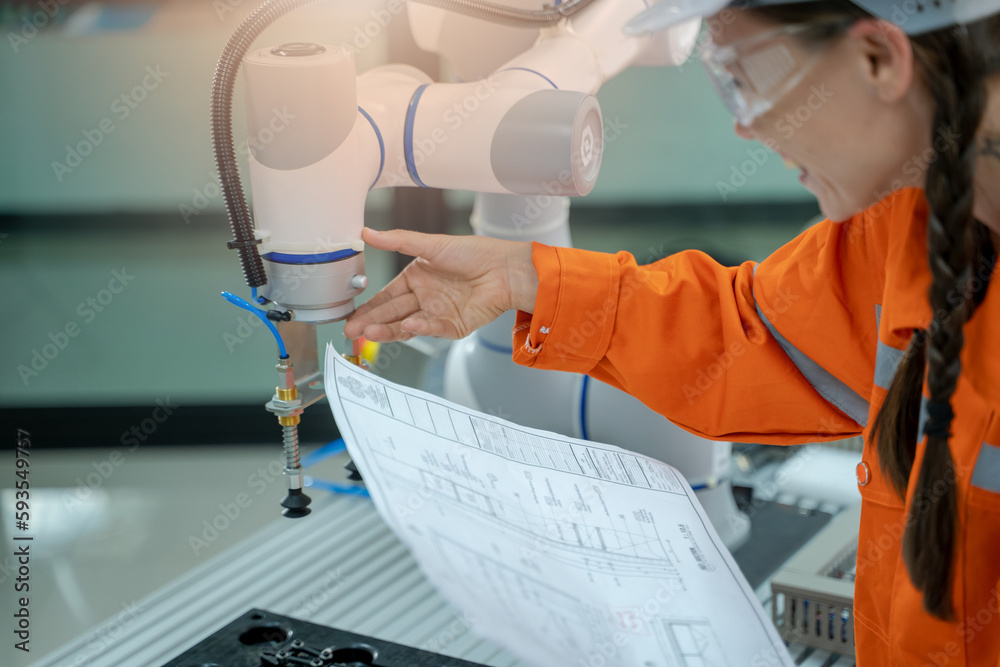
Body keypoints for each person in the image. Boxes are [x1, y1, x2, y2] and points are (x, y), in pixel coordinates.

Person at [344, 0, 1000, 662]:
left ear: (879, 58)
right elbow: (752, 336)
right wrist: (527, 279)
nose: (748, 129)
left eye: (747, 79)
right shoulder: (908, 227)